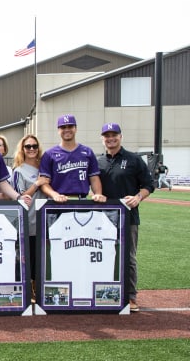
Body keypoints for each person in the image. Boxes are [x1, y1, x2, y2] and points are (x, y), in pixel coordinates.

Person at [97, 122, 154, 312]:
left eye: (114, 135)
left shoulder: (134, 160)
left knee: (128, 258)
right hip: (103, 218)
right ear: (102, 138)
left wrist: (138, 197)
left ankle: (130, 297)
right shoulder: (98, 161)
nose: (110, 138)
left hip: (129, 217)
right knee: (104, 255)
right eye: (107, 135)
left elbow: (149, 185)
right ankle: (105, 293)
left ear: (121, 136)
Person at [39, 115, 106, 203]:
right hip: (58, 202)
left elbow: (94, 178)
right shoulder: (49, 154)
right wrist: (54, 194)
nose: (67, 129)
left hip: (81, 200)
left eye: (70, 126)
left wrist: (98, 193)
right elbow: (43, 182)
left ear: (76, 129)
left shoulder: (87, 152)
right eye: (63, 127)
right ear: (58, 130)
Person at [11, 134, 45, 295]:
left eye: (34, 146)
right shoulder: (19, 170)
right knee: (29, 256)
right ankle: (29, 287)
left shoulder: (45, 167)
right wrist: (37, 184)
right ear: (22, 149)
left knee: (44, 255)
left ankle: (42, 286)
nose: (31, 149)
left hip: (46, 219)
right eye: (28, 146)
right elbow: (20, 197)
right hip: (29, 219)